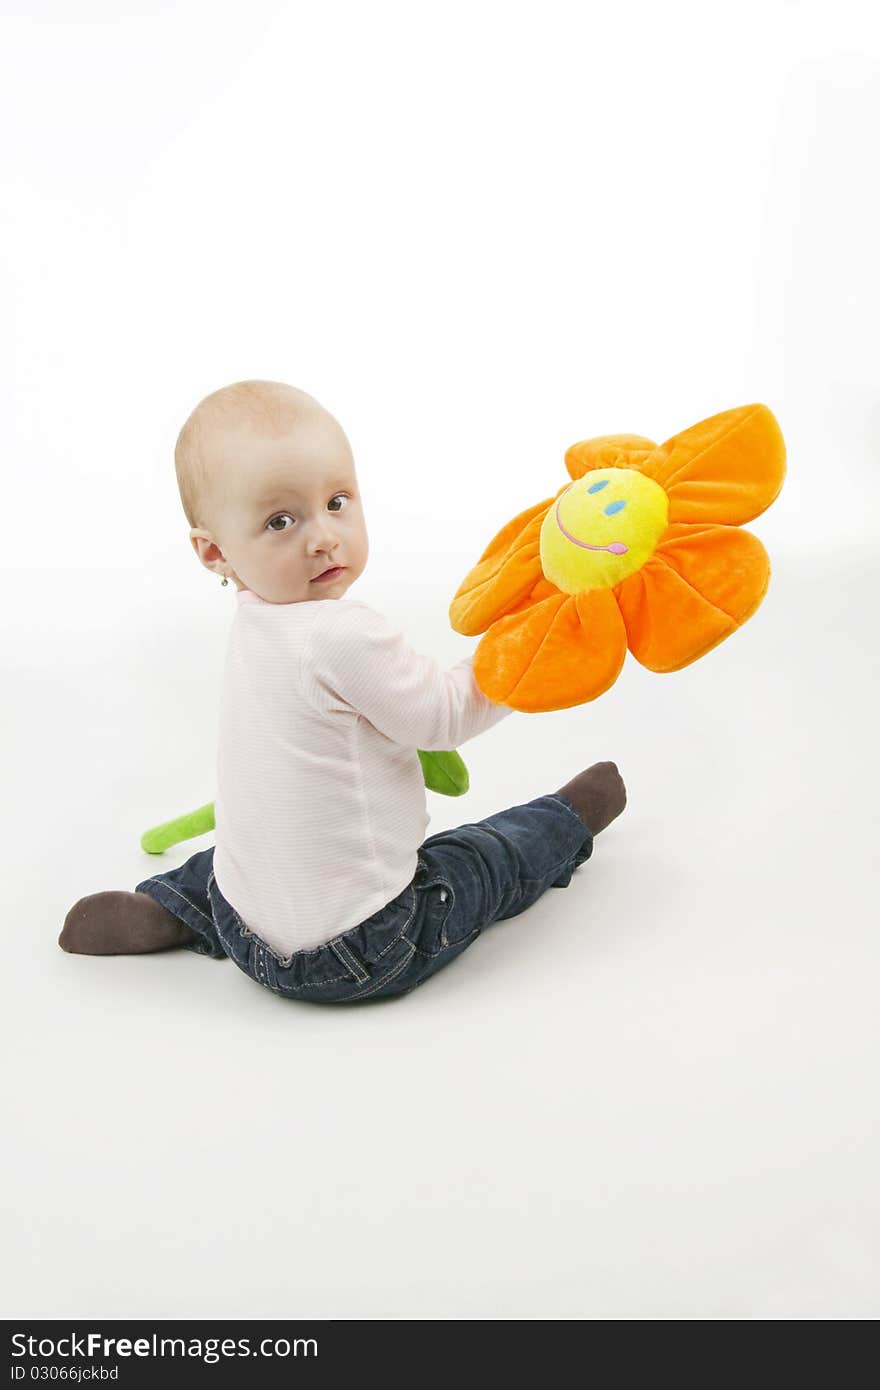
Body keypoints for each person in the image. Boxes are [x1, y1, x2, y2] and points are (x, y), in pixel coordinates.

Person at [59, 379, 626, 1003]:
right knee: (480, 858)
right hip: (364, 948)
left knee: (241, 853)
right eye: (281, 520)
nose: (324, 535)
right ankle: (568, 817)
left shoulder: (256, 619)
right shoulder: (339, 632)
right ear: (215, 550)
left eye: (337, 500)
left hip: (245, 929)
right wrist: (529, 656)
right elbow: (442, 714)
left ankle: (175, 906)